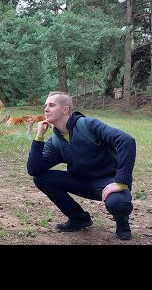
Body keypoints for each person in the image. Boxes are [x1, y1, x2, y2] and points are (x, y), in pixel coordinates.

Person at [27, 91, 136, 240]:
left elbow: (126, 141)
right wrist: (39, 138)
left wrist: (122, 181)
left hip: (107, 181)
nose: (46, 109)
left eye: (51, 105)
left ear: (65, 110)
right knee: (41, 178)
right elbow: (34, 169)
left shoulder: (88, 125)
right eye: (46, 105)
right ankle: (79, 218)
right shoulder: (55, 141)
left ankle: (122, 223)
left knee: (118, 203)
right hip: (81, 182)